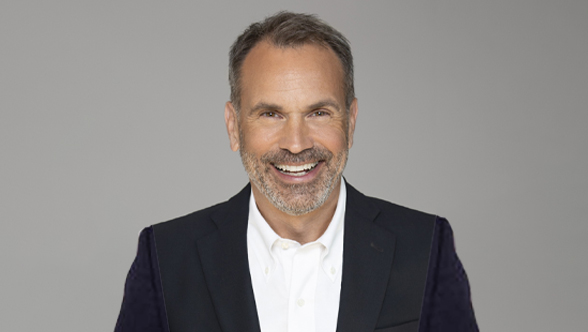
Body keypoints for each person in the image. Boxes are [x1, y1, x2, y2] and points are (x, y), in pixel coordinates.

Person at [114, 11, 478, 332]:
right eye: (270, 114)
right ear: (233, 126)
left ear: (350, 122)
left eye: (319, 113)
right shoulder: (165, 258)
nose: (296, 142)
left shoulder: (426, 249)